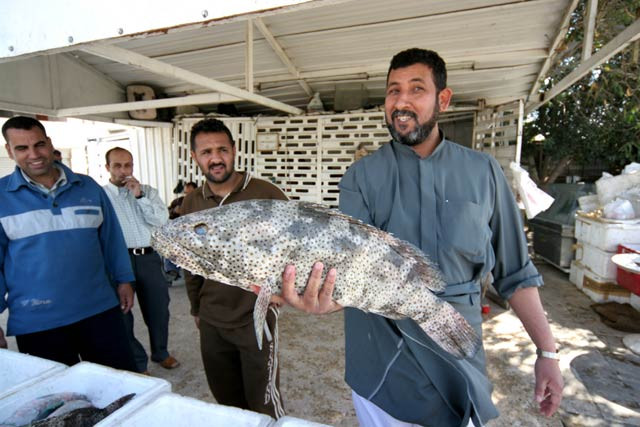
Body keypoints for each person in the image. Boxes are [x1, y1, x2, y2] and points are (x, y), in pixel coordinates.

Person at [278, 48, 564, 426]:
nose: (402, 101)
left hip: (457, 346)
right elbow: (348, 271)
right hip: (381, 354)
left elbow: (517, 273)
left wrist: (547, 353)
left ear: (442, 99)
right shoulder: (361, 177)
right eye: (393, 91)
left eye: (416, 89)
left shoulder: (484, 172)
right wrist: (322, 299)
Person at [0, 116, 137, 371]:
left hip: (100, 311)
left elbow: (111, 239)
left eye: (39, 145)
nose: (34, 154)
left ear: (50, 143)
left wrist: (124, 278)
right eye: (22, 148)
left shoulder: (87, 186)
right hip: (38, 323)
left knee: (121, 386)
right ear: (9, 151)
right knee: (62, 402)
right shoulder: (1, 197)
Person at [180, 118, 288, 418]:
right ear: (195, 157)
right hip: (212, 320)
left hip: (256, 316)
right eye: (206, 152)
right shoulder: (192, 203)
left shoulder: (266, 194)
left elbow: (293, 248)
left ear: (234, 150)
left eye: (222, 149)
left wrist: (282, 292)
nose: (215, 158)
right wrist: (196, 309)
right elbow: (192, 265)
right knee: (226, 401)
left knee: (264, 402)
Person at [103, 147, 180, 373]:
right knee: (123, 312)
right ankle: (137, 362)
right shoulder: (102, 196)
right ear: (107, 167)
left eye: (128, 165)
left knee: (159, 309)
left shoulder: (147, 191)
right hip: (119, 261)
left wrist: (139, 196)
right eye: (117, 166)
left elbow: (161, 220)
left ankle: (161, 353)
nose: (123, 170)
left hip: (149, 258)